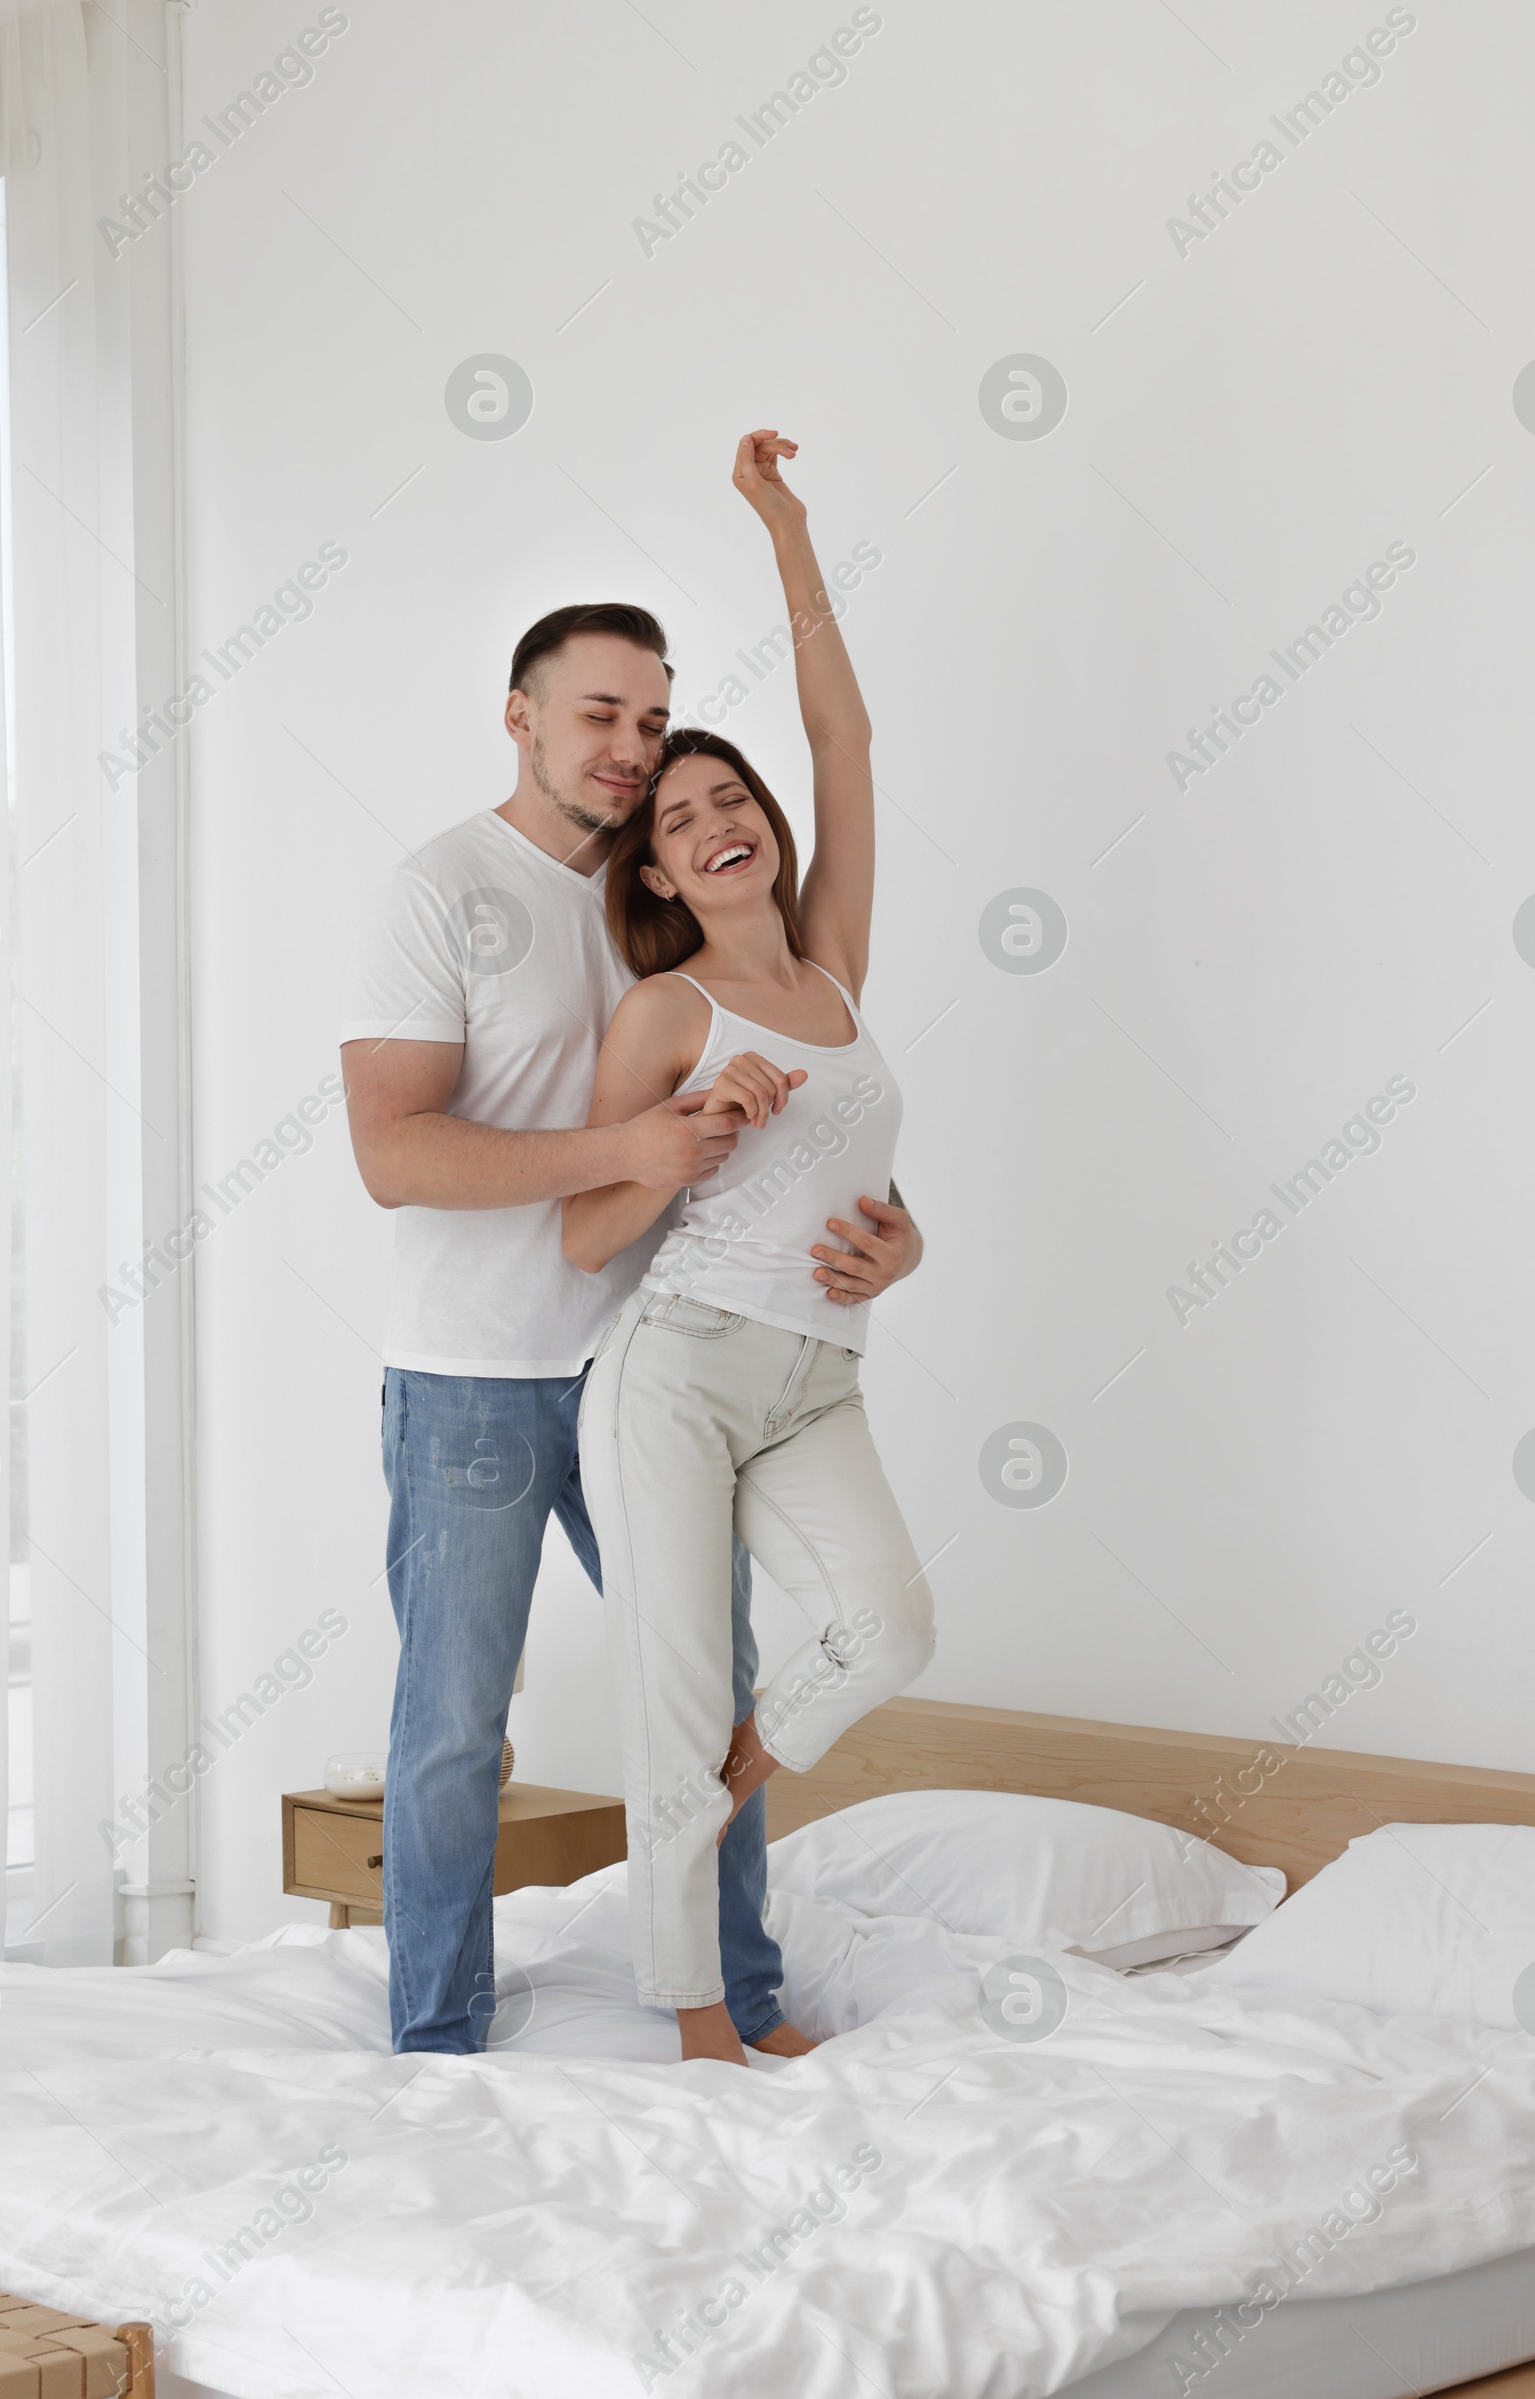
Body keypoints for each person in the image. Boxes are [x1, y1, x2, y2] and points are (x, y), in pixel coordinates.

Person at [340, 576, 924, 2056]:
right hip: (472, 1374)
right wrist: (637, 1148)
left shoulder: (682, 902)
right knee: (459, 1723)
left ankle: (734, 2002)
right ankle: (435, 2040)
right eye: (600, 713)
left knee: (711, 1693)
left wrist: (885, 1237)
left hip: (646, 1360)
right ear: (522, 716)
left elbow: (843, 760)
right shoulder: (440, 890)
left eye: (652, 718)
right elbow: (391, 1154)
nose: (629, 744)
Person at [565, 430, 937, 2066]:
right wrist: (694, 1136)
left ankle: (714, 1789)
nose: (717, 819)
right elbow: (588, 1235)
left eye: (734, 800)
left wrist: (784, 527)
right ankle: (705, 2026)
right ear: (654, 869)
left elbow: (844, 731)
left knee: (892, 1626)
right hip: (678, 1375)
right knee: (659, 1693)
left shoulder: (837, 969)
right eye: (683, 814)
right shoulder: (665, 1010)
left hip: (820, 1380)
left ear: (766, 830)